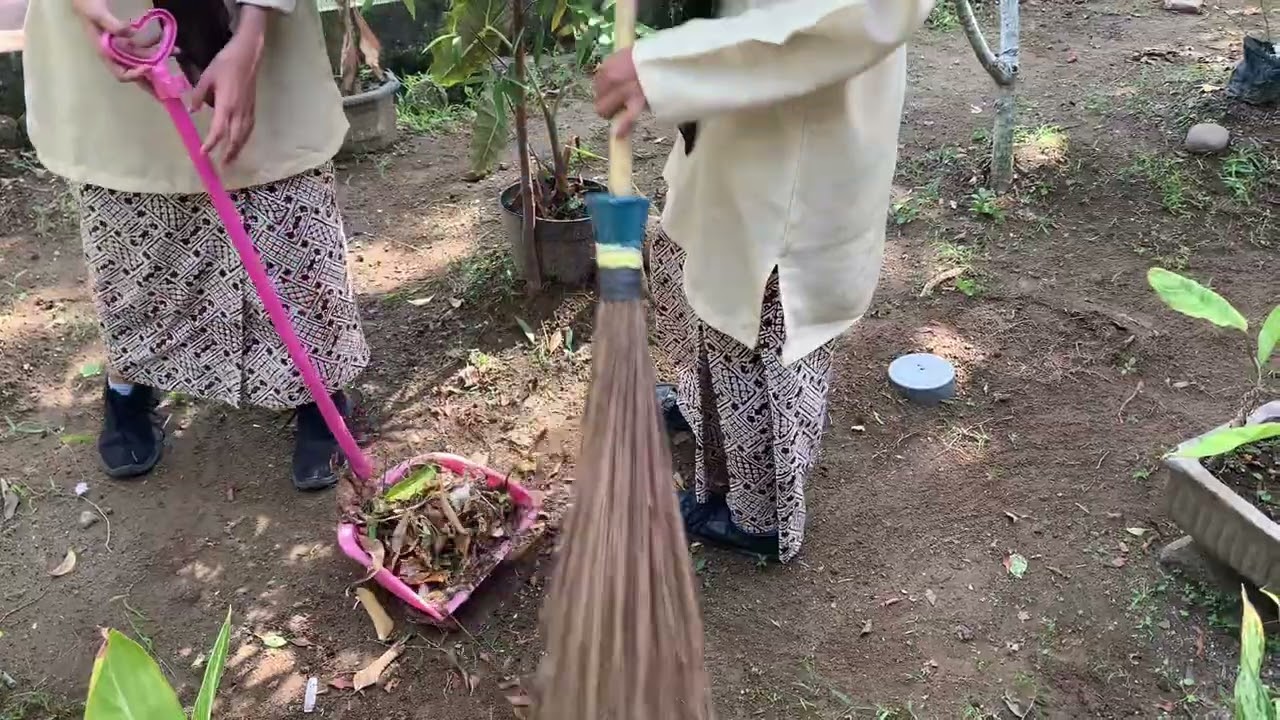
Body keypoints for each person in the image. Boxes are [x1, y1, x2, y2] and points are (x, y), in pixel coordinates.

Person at [592, 0, 933, 562]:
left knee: (754, 310)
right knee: (703, 265)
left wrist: (666, 65)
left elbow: (848, 16)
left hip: (800, 130)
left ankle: (760, 518)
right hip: (732, 103)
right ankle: (701, 411)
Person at [22, 0, 367, 490]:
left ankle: (318, 385)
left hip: (254, 17)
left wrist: (251, 34)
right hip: (115, 28)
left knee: (285, 208)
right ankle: (129, 379)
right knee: (129, 215)